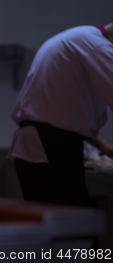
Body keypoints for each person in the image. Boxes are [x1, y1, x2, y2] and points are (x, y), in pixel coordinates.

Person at [10, 22, 113, 207]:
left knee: (49, 219)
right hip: (52, 147)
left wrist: (106, 147)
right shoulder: (95, 43)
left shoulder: (75, 37)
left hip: (37, 145)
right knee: (67, 220)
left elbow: (66, 112)